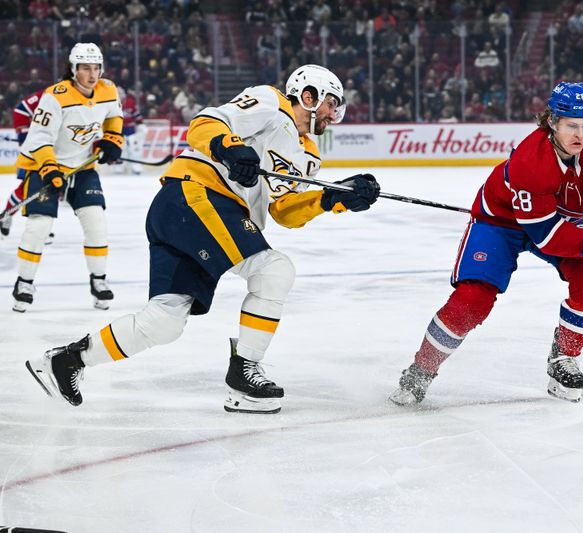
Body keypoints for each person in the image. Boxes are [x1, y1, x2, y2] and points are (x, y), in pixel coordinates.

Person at [26, 64, 380, 415]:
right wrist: (228, 148)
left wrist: (334, 199)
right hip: (197, 196)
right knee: (274, 271)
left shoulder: (309, 156)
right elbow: (205, 123)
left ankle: (67, 361)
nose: (335, 114)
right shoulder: (271, 102)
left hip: (186, 215)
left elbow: (285, 211)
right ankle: (244, 371)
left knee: (164, 322)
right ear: (309, 95)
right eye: (332, 103)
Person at [389, 82, 583, 405]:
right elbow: (547, 235)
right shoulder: (531, 161)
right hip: (502, 221)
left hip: (561, 219)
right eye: (571, 126)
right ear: (552, 122)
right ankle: (422, 369)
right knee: (473, 299)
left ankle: (563, 356)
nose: (580, 135)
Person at [11, 42, 123, 313]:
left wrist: (111, 140)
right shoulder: (55, 96)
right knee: (39, 225)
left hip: (82, 167)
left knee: (96, 221)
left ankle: (99, 280)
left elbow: (114, 117)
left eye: (96, 67)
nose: (92, 73)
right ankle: (24, 283)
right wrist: (50, 169)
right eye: (85, 68)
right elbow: (39, 138)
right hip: (45, 166)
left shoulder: (108, 90)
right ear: (73, 70)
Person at [0, 89, 52, 241]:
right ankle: (38, 227)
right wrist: (25, 136)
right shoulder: (50, 94)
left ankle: (8, 215)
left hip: (54, 150)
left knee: (46, 188)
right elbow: (21, 110)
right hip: (36, 150)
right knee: (36, 187)